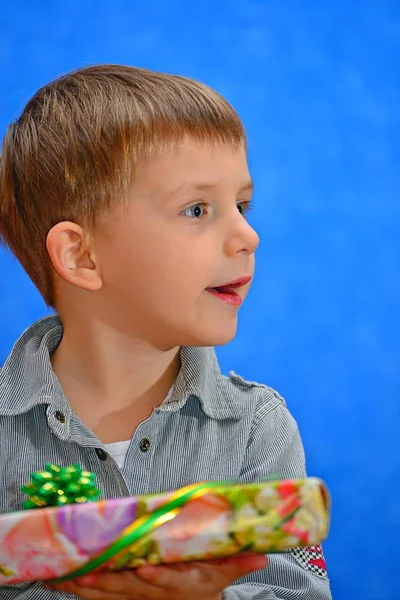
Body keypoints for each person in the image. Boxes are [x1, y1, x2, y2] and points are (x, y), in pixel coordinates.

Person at [0, 64, 332, 600]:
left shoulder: (258, 427)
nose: (248, 235)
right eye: (197, 209)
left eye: (242, 205)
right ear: (82, 256)